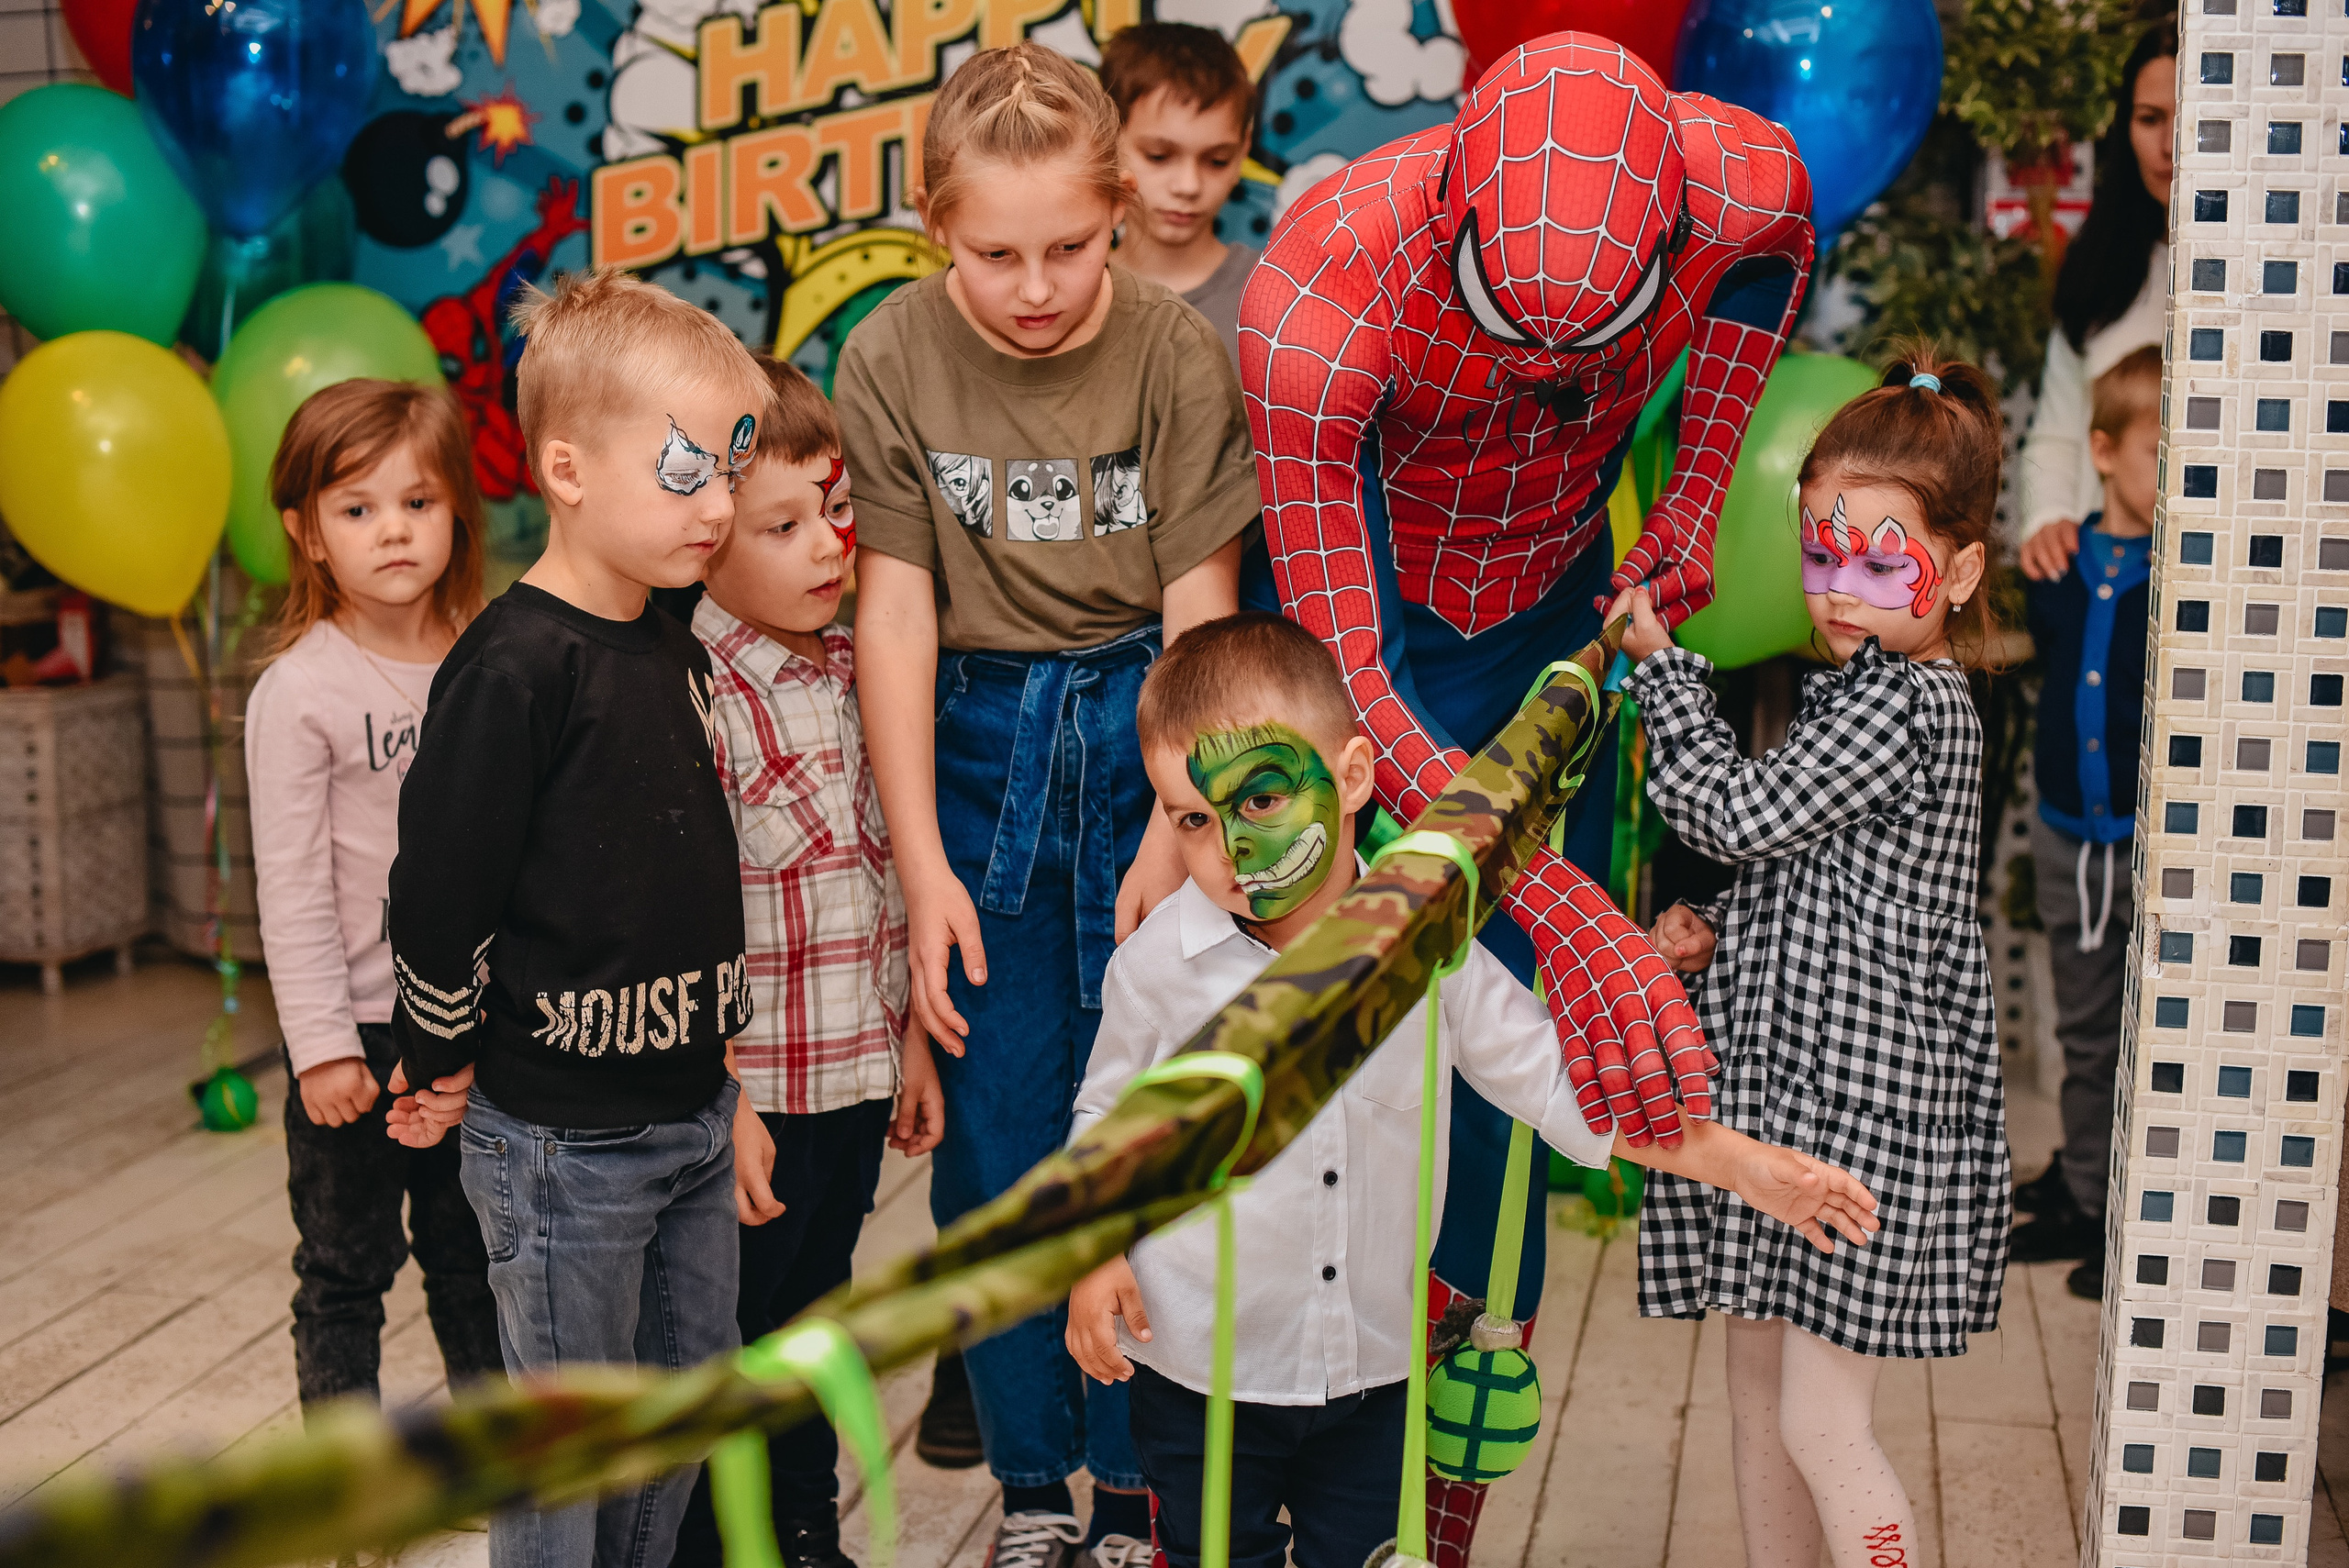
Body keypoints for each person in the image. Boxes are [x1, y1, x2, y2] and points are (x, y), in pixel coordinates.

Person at [1239, 35, 1813, 1557]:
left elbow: (1776, 264)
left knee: (1502, 1054)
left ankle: (1453, 1484)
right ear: (1456, 233)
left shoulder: (1738, 179)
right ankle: (1300, 1439)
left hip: (1548, 606)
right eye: (1514, 333)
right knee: (1338, 1017)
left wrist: (1691, 505)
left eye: (1593, 345)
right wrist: (1564, 902)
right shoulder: (1324, 289)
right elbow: (1350, 674)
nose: (1548, 381)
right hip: (1366, 631)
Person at [1063, 613, 1879, 1568]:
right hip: (1200, 1370)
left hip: (1369, 1372)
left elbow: (1559, 1087)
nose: (1227, 850)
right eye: (1192, 819)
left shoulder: (1431, 951)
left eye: (1260, 800)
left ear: (1354, 777)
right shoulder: (1160, 964)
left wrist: (1739, 1164)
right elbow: (1105, 1119)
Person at [840, 41, 1257, 1568]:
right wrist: (922, 861)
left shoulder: (1168, 349)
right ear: (937, 224)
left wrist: (1179, 813)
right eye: (996, 252)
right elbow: (893, 615)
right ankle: (1029, 1488)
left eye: (1069, 248)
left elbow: (1202, 604)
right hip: (979, 745)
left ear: (1114, 212)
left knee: (1149, 1109)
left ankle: (1139, 1489)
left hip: (1147, 726)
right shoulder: (887, 355)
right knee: (1002, 1131)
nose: (1035, 286)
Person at [385, 266, 773, 1568]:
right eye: (685, 472)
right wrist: (437, 1058)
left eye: (734, 467)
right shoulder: (511, 668)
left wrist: (723, 1070)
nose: (720, 504)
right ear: (563, 467)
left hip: (691, 1120)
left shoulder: (672, 641)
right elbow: (441, 895)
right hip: (564, 1149)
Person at [1627, 346, 2011, 1568]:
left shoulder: (1907, 700)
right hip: (1800, 1086)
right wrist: (1720, 931)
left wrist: (1667, 678)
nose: (1841, 588)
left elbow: (1735, 818)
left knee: (1819, 1417)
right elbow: (1846, 891)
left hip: (1860, 1110)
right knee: (1755, 1397)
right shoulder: (1863, 685)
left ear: (1958, 571)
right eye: (1821, 551)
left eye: (1880, 558)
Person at [668, 355, 946, 1568]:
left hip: (853, 1077)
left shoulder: (860, 668)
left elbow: (892, 883)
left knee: (814, 1317)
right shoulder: (700, 696)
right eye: (784, 525)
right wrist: (717, 1098)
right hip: (759, 1091)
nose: (829, 546)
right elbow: (684, 924)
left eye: (838, 511)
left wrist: (915, 1043)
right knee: (730, 1331)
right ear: (706, 538)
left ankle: (799, 1529)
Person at [245, 378, 501, 1418]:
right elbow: (293, 887)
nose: (392, 531)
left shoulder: (490, 656)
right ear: (308, 533)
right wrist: (321, 1047)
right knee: (346, 1267)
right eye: (357, 510)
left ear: (457, 513)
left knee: (476, 1255)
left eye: (418, 502)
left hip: (474, 1026)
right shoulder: (300, 692)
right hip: (358, 1029)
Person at [2008, 345, 2158, 1298]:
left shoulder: (2189, 576)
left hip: (2146, 846)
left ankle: (2131, 1224)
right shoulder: (2057, 565)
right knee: (2085, 1029)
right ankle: (2082, 1192)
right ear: (2101, 452)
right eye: (2158, 453)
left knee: (2148, 1038)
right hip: (2067, 833)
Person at [2015, 21, 2175, 584]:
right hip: (2099, 580)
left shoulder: (2269, 275)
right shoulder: (2101, 269)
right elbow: (2058, 429)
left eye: (2189, 118)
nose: (2169, 146)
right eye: (2149, 118)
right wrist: (2047, 519)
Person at [1100, 21, 1260, 370]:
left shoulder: (1274, 299)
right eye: (1159, 156)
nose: (1188, 186)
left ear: (1243, 150)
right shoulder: (1060, 298)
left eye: (1217, 161)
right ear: (1108, 140)